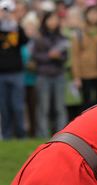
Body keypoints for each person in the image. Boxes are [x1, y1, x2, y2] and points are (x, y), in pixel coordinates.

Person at [0, 0, 28, 139]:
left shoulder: (16, 26)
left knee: (18, 107)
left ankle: (21, 136)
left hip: (16, 72)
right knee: (3, 108)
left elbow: (24, 40)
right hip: (0, 73)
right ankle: (6, 136)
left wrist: (16, 24)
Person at [31, 10, 68, 138]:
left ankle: (62, 136)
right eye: (50, 19)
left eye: (55, 19)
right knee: (43, 108)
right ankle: (43, 135)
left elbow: (65, 58)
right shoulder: (39, 37)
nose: (53, 22)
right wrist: (48, 56)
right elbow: (34, 55)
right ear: (45, 21)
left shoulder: (62, 38)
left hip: (58, 75)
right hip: (43, 75)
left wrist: (58, 56)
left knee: (59, 108)